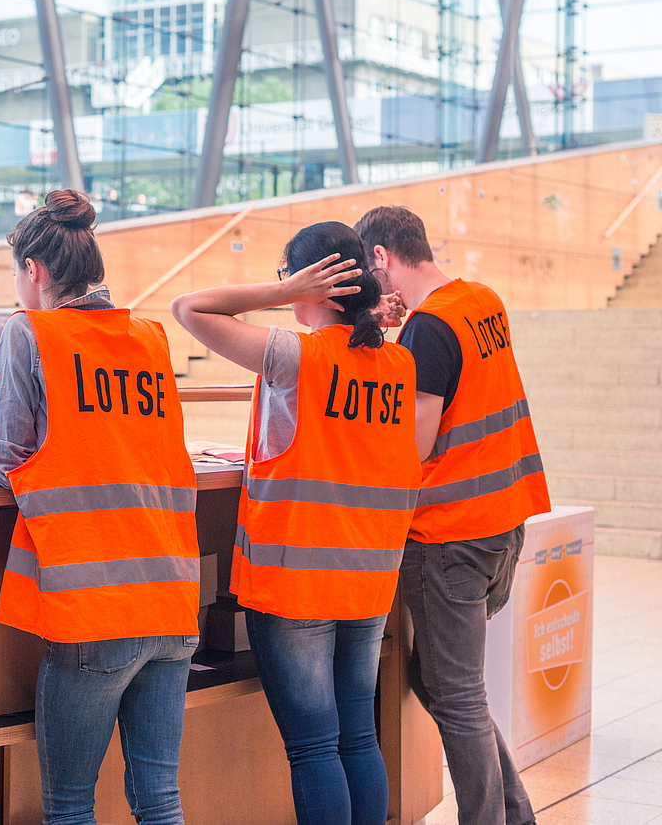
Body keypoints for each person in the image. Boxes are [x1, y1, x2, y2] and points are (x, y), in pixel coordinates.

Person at [0, 189, 201, 825]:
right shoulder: (148, 336)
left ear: (35, 270)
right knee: (160, 802)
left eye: (15, 274)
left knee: (68, 810)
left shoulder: (30, 332)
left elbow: (6, 463)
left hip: (94, 606)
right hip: (171, 596)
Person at [170, 221, 422, 825]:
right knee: (358, 737)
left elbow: (189, 308)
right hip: (368, 582)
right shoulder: (401, 365)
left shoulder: (295, 355)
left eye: (291, 277)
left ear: (314, 284)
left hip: (297, 585)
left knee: (314, 747)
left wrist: (285, 294)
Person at [354, 205, 550, 825]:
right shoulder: (479, 300)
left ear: (382, 258)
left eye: (367, 269)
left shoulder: (429, 330)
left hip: (448, 533)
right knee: (441, 683)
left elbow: (411, 445)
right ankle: (512, 814)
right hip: (502, 523)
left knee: (455, 694)